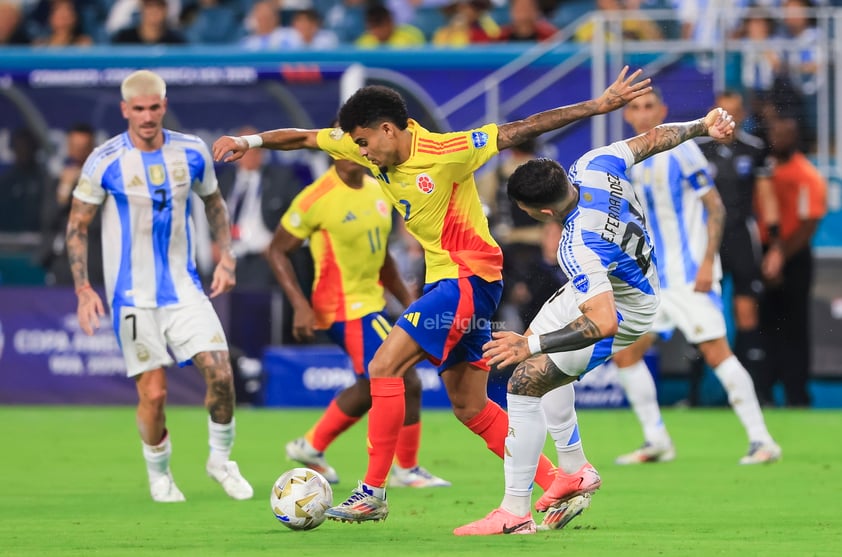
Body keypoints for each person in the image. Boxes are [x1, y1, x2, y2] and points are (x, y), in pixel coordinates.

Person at [212, 66, 651, 526]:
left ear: (388, 129)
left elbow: (521, 128)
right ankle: (559, 484)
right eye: (355, 145)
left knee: (384, 366)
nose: (359, 153)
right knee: (469, 406)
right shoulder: (363, 147)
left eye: (364, 143)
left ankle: (373, 492)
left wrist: (597, 106)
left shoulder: (447, 150)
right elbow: (302, 137)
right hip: (448, 284)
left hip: (469, 279)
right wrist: (252, 143)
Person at [454, 104, 737, 537]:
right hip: (614, 280)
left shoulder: (577, 247)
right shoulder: (594, 164)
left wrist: (530, 347)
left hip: (626, 307)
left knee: (523, 381)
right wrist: (701, 125)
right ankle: (572, 470)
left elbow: (603, 322)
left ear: (541, 213)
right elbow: (654, 138)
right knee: (539, 365)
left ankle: (515, 513)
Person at [66, 70, 253, 503]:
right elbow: (77, 227)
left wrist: (227, 257)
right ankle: (160, 474)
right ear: (125, 110)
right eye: (139, 109)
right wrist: (83, 289)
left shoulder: (192, 152)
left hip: (183, 288)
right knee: (154, 395)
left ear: (163, 106)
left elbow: (214, 204)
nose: (147, 116)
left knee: (221, 371)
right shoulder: (104, 159)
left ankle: (221, 461)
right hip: (132, 297)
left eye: (154, 107)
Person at [609, 89, 780, 466]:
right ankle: (656, 440)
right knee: (624, 354)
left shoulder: (681, 148)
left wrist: (707, 264)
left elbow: (715, 208)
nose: (642, 114)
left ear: (663, 110)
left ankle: (762, 440)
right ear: (626, 115)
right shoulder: (624, 157)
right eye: (634, 108)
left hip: (689, 276)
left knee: (717, 353)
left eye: (649, 106)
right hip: (652, 281)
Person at [265, 156, 449, 488]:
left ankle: (311, 446)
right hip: (342, 307)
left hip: (371, 304)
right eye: (352, 138)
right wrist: (300, 305)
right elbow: (276, 250)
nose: (360, 147)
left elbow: (382, 257)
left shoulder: (378, 189)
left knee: (372, 385)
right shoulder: (316, 197)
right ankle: (405, 470)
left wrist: (409, 301)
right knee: (405, 378)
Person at [696, 90, 782, 402]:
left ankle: (753, 393)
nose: (727, 119)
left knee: (746, 313)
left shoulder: (755, 149)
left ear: (742, 115)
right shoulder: (697, 149)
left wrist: (774, 245)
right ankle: (694, 396)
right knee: (700, 311)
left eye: (733, 112)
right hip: (706, 241)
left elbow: (767, 197)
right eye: (721, 112)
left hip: (741, 239)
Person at [758, 116, 827, 406]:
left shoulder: (806, 175)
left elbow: (808, 224)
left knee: (795, 326)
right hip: (762, 253)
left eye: (787, 132)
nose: (781, 137)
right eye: (776, 131)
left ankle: (796, 394)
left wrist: (779, 256)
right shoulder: (763, 171)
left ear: (796, 136)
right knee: (764, 326)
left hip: (794, 256)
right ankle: (763, 391)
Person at [217, 125, 304, 290]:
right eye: (241, 149)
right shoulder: (225, 181)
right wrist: (213, 242)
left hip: (264, 256)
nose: (247, 156)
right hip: (230, 257)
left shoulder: (281, 180)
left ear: (262, 152)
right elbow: (211, 211)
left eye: (252, 149)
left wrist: (278, 243)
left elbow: (299, 212)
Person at [38, 123, 102, 286]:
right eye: (75, 146)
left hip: (96, 257)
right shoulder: (58, 179)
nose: (79, 152)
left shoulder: (104, 180)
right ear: (68, 147)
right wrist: (64, 189)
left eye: (84, 147)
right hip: (64, 260)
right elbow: (48, 220)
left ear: (92, 147)